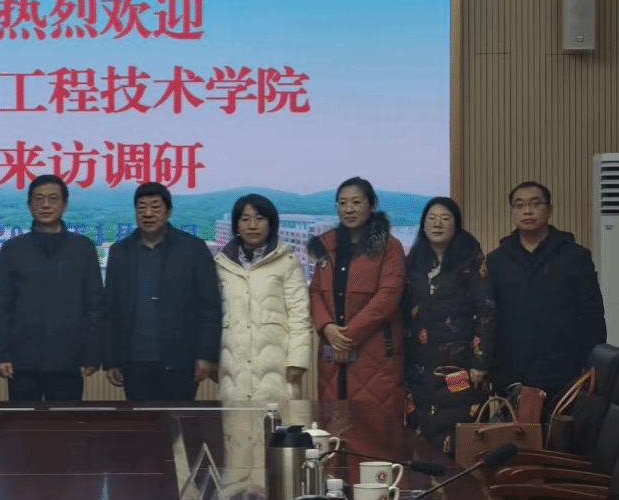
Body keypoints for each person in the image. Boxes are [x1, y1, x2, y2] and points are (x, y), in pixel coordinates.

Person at [487, 181, 606, 404]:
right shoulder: (496, 260)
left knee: (563, 427)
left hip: (564, 372)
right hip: (512, 373)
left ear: (549, 210)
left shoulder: (575, 257)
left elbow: (593, 315)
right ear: (512, 212)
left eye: (535, 204)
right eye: (519, 205)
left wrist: (592, 365)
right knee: (514, 427)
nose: (527, 211)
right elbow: (489, 317)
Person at [103, 182, 222, 401]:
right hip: (134, 361)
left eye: (155, 207)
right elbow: (110, 309)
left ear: (169, 211)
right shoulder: (120, 251)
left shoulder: (193, 248)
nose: (148, 214)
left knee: (177, 420)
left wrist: (206, 355)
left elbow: (210, 307)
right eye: (141, 208)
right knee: (141, 421)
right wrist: (111, 360)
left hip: (181, 360)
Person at [0, 174, 103, 401]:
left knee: (64, 422)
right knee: (22, 422)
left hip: (69, 361)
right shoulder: (12, 249)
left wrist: (92, 354)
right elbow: (1, 306)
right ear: (29, 205)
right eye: (39, 198)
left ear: (64, 204)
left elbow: (94, 306)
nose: (45, 205)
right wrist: (1, 354)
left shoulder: (83, 249)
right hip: (22, 362)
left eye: (53, 199)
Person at [403, 196, 495, 457]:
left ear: (456, 225)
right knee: (421, 430)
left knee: (457, 423)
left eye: (445, 219)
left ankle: (459, 481)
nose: (437, 224)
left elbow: (486, 311)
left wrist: (480, 362)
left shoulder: (471, 258)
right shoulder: (415, 260)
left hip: (460, 366)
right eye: (431, 219)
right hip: (420, 364)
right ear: (423, 225)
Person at [307, 177, 405, 418]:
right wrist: (327, 327)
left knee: (374, 425)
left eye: (356, 202)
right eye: (342, 203)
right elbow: (316, 291)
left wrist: (346, 337)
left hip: (374, 353)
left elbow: (388, 297)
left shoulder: (390, 247)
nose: (348, 209)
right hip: (331, 353)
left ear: (372, 206)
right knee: (333, 422)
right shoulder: (326, 245)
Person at [214, 193, 313, 402]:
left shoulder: (287, 261)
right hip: (233, 368)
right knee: (235, 421)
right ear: (236, 225)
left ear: (271, 223)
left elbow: (299, 316)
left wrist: (297, 361)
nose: (253, 226)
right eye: (245, 219)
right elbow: (213, 316)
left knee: (278, 420)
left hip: (277, 368)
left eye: (260, 219)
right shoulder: (222, 265)